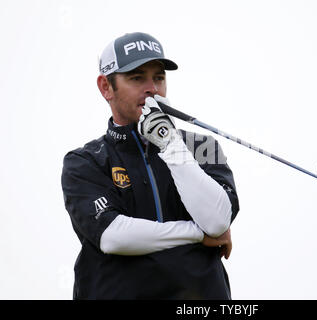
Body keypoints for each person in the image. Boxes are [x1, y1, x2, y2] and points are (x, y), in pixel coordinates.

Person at [61, 32, 240, 299]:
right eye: (137, 78)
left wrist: (171, 146)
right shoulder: (85, 160)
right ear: (106, 87)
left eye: (158, 77)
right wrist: (195, 234)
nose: (152, 89)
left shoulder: (202, 147)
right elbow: (114, 235)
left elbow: (216, 223)